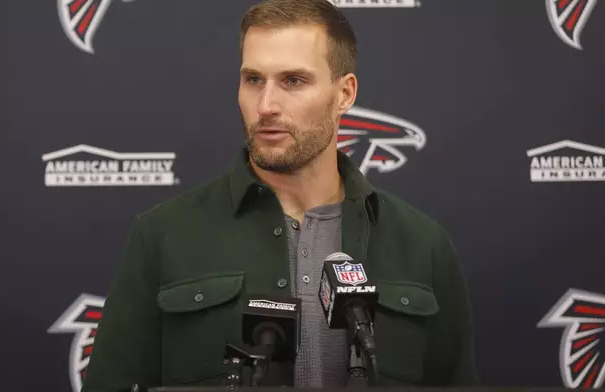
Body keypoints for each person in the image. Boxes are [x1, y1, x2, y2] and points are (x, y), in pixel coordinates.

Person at [81, 0, 479, 390]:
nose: (266, 105)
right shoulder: (161, 236)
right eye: (253, 79)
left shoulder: (422, 245)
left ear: (344, 94)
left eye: (293, 81)